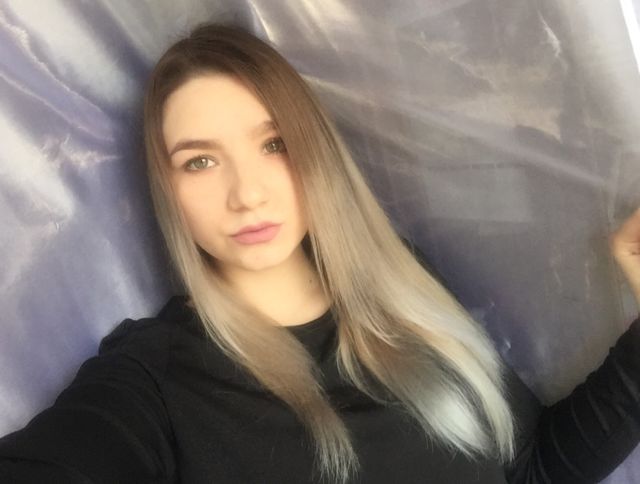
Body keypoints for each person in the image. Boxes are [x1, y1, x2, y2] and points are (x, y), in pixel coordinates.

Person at [1, 22, 640, 484]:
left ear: (315, 150)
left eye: (274, 144)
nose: (247, 194)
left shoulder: (406, 287)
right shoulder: (153, 380)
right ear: (166, 190)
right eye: (199, 161)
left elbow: (533, 469)